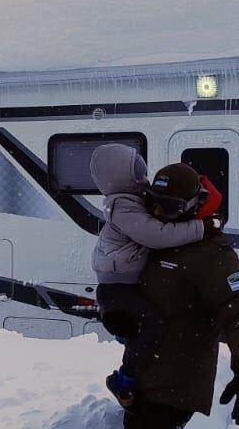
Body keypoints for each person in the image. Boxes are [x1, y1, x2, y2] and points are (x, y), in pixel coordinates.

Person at [113, 161, 239, 429]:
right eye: (152, 202)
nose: (156, 211)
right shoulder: (157, 237)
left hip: (173, 393)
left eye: (167, 207)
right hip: (142, 382)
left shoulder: (211, 252)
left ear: (192, 206)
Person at [90, 143, 222, 407]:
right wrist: (202, 228)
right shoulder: (123, 208)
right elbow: (158, 235)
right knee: (152, 326)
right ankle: (124, 380)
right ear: (121, 177)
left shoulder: (133, 200)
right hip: (117, 289)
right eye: (137, 172)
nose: (144, 178)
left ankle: (137, 370)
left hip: (124, 285)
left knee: (147, 328)